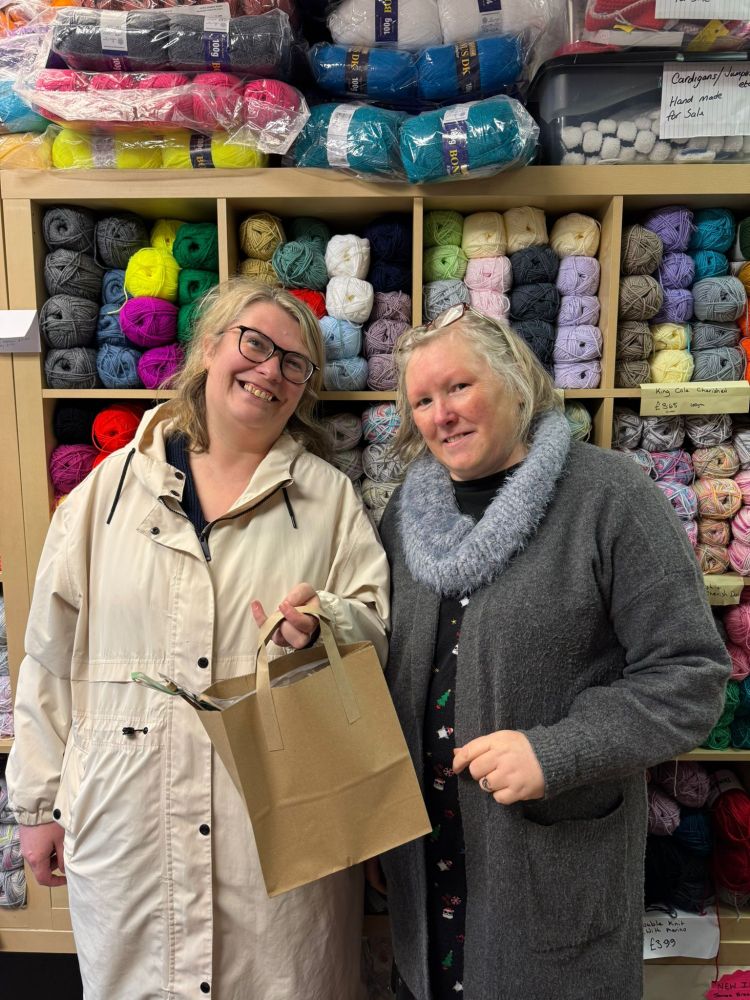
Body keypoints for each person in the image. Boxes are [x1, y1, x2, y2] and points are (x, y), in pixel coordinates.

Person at [7, 278, 389, 1000]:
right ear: (208, 347)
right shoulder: (106, 491)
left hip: (277, 833)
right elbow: (48, 654)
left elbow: (377, 627)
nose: (269, 369)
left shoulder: (326, 499)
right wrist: (36, 805)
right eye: (254, 343)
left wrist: (328, 622)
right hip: (129, 822)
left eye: (293, 362)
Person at [372, 304, 730, 1000]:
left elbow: (691, 676)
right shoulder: (406, 515)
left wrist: (556, 751)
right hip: (428, 862)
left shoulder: (609, 497)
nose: (441, 413)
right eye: (421, 399)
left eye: (459, 387)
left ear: (515, 381)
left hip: (544, 866)